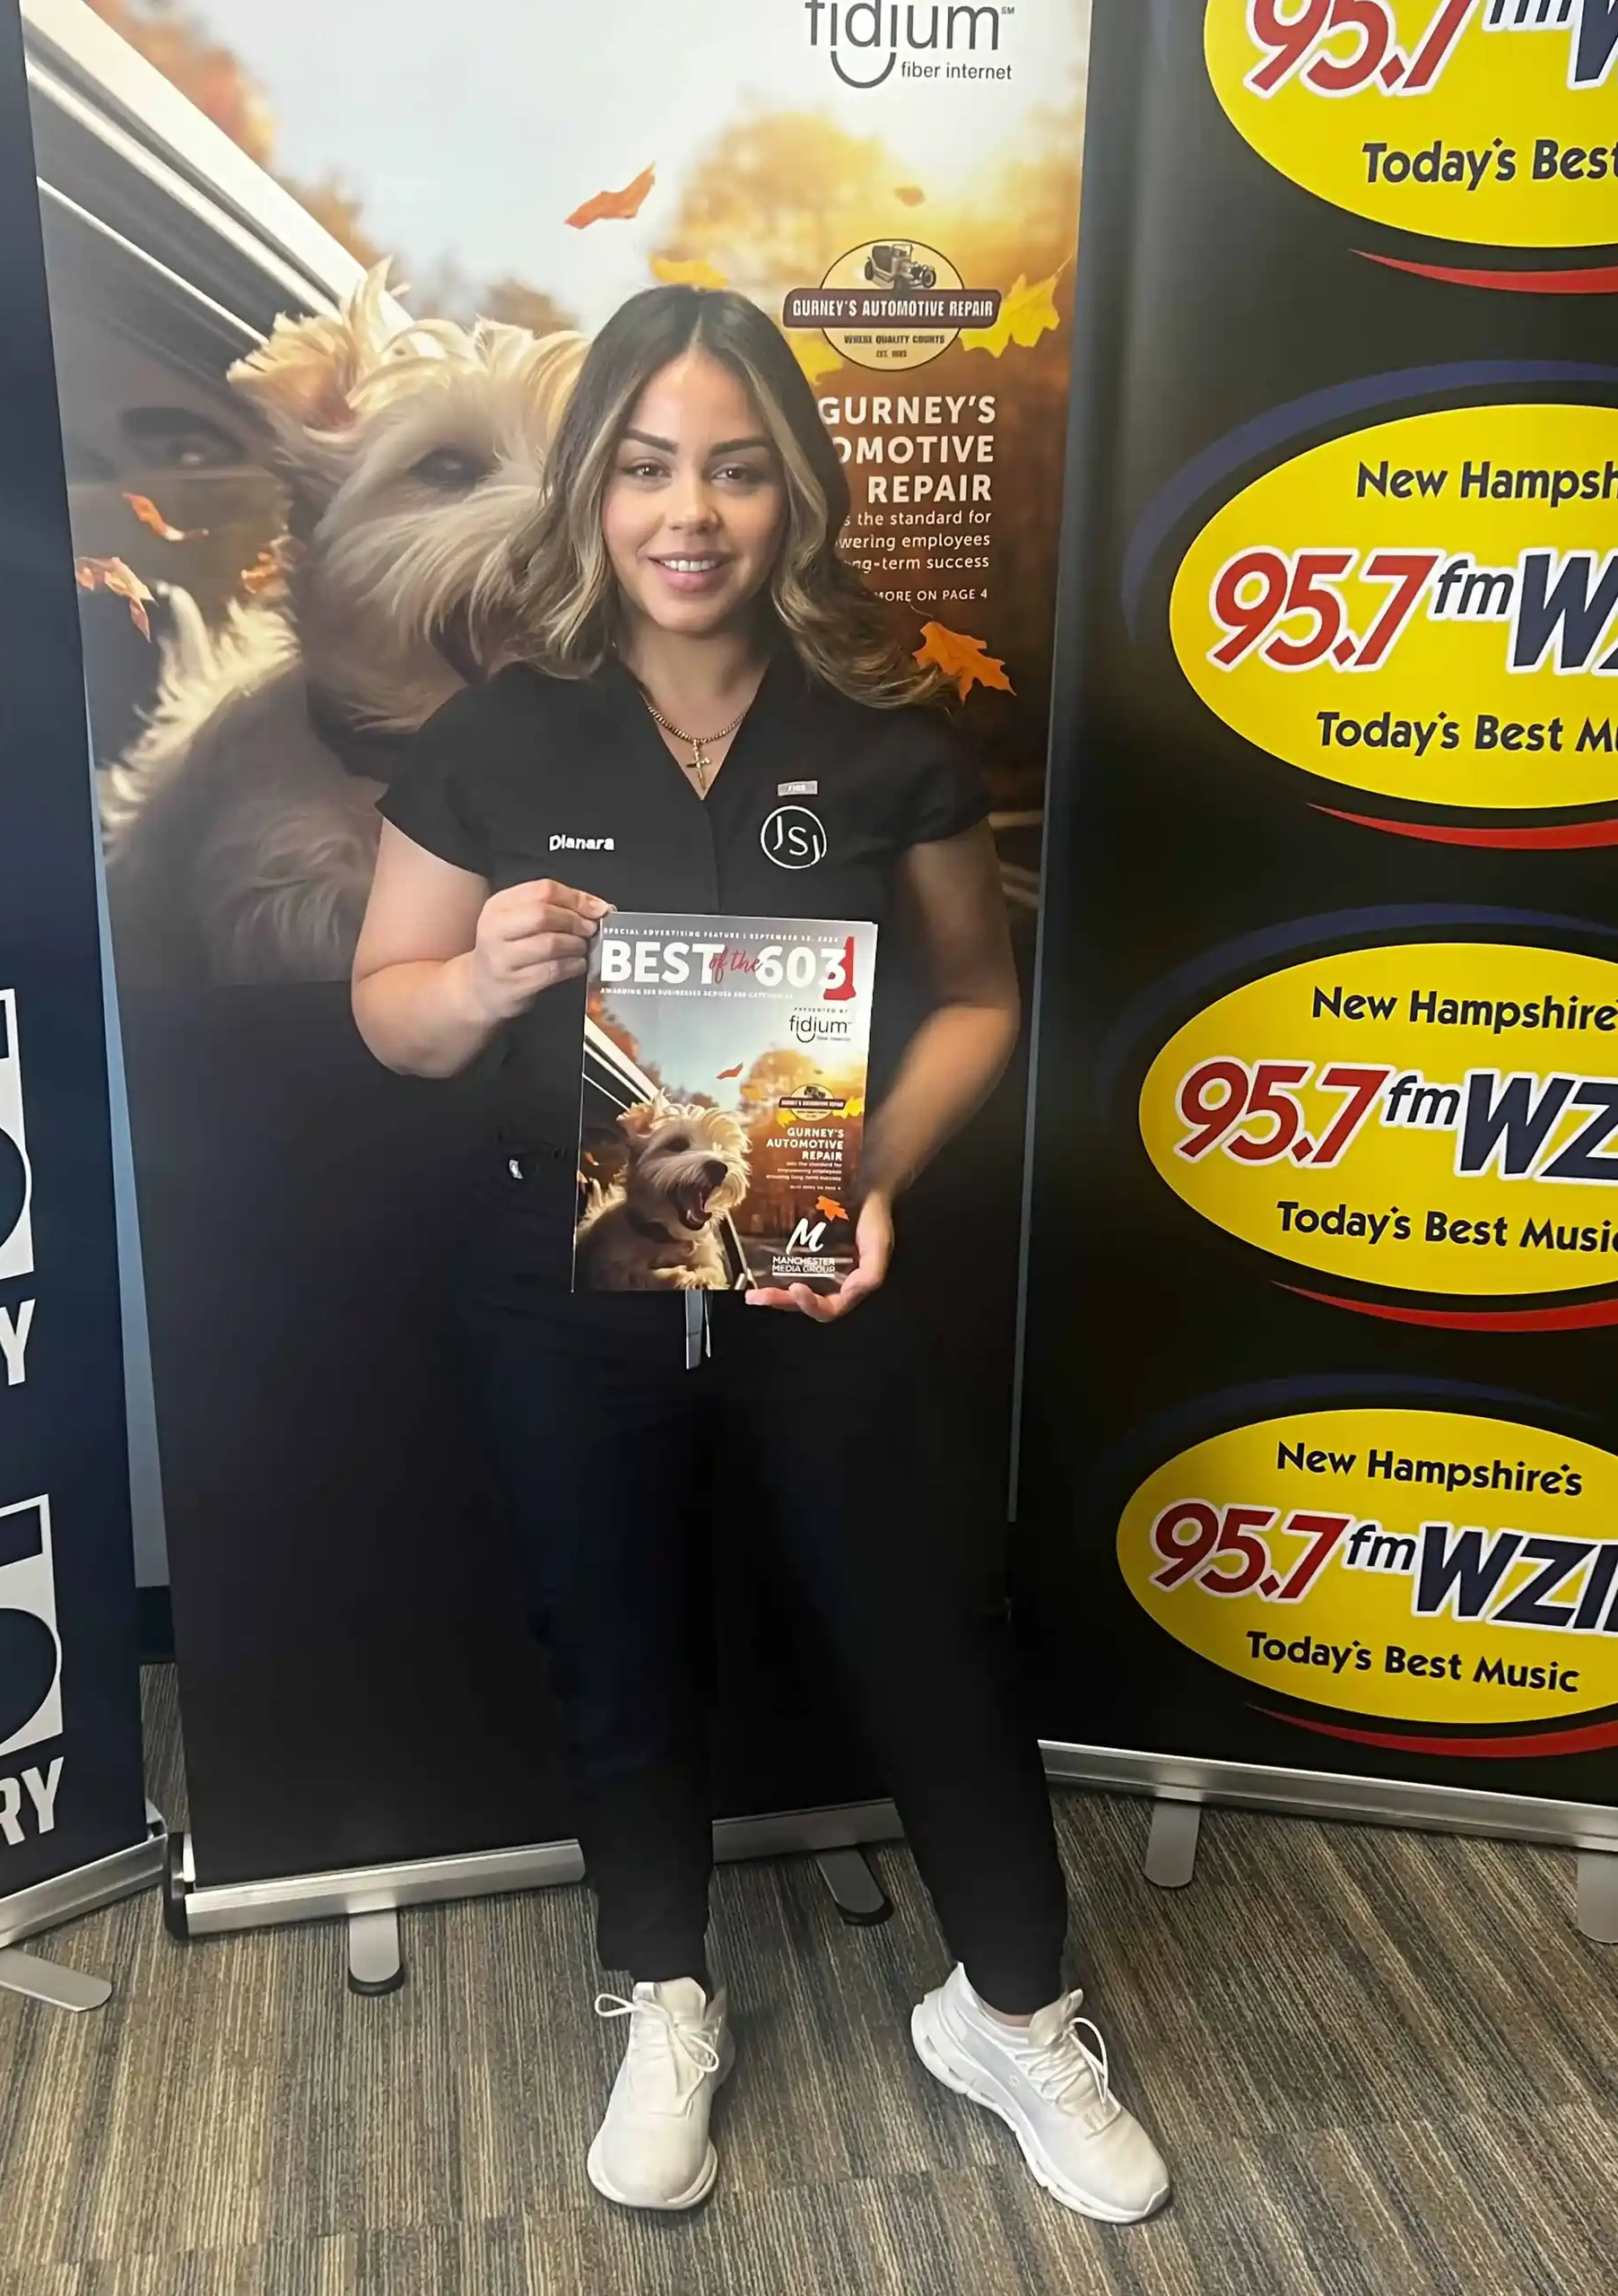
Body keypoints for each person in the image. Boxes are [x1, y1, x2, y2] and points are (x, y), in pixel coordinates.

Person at [351, 285, 1168, 2224]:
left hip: (821, 1261)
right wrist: (474, 975)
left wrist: (873, 1163)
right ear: (592, 489)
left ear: (791, 490)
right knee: (614, 1640)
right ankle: (664, 1988)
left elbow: (979, 992)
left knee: (932, 1626)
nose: (687, 513)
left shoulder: (882, 731)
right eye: (645, 468)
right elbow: (385, 1005)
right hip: (558, 1283)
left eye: (732, 467)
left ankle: (1010, 2004)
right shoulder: (499, 729)